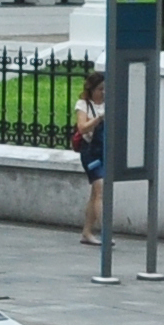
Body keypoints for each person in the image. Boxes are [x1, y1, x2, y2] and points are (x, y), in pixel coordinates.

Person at [70, 79, 109, 244]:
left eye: (105, 88)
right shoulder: (83, 105)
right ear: (92, 89)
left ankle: (87, 232)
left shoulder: (109, 104)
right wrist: (98, 118)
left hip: (104, 151)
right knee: (100, 188)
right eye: (100, 89)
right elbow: (82, 128)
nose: (103, 92)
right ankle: (106, 231)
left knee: (95, 193)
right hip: (90, 153)